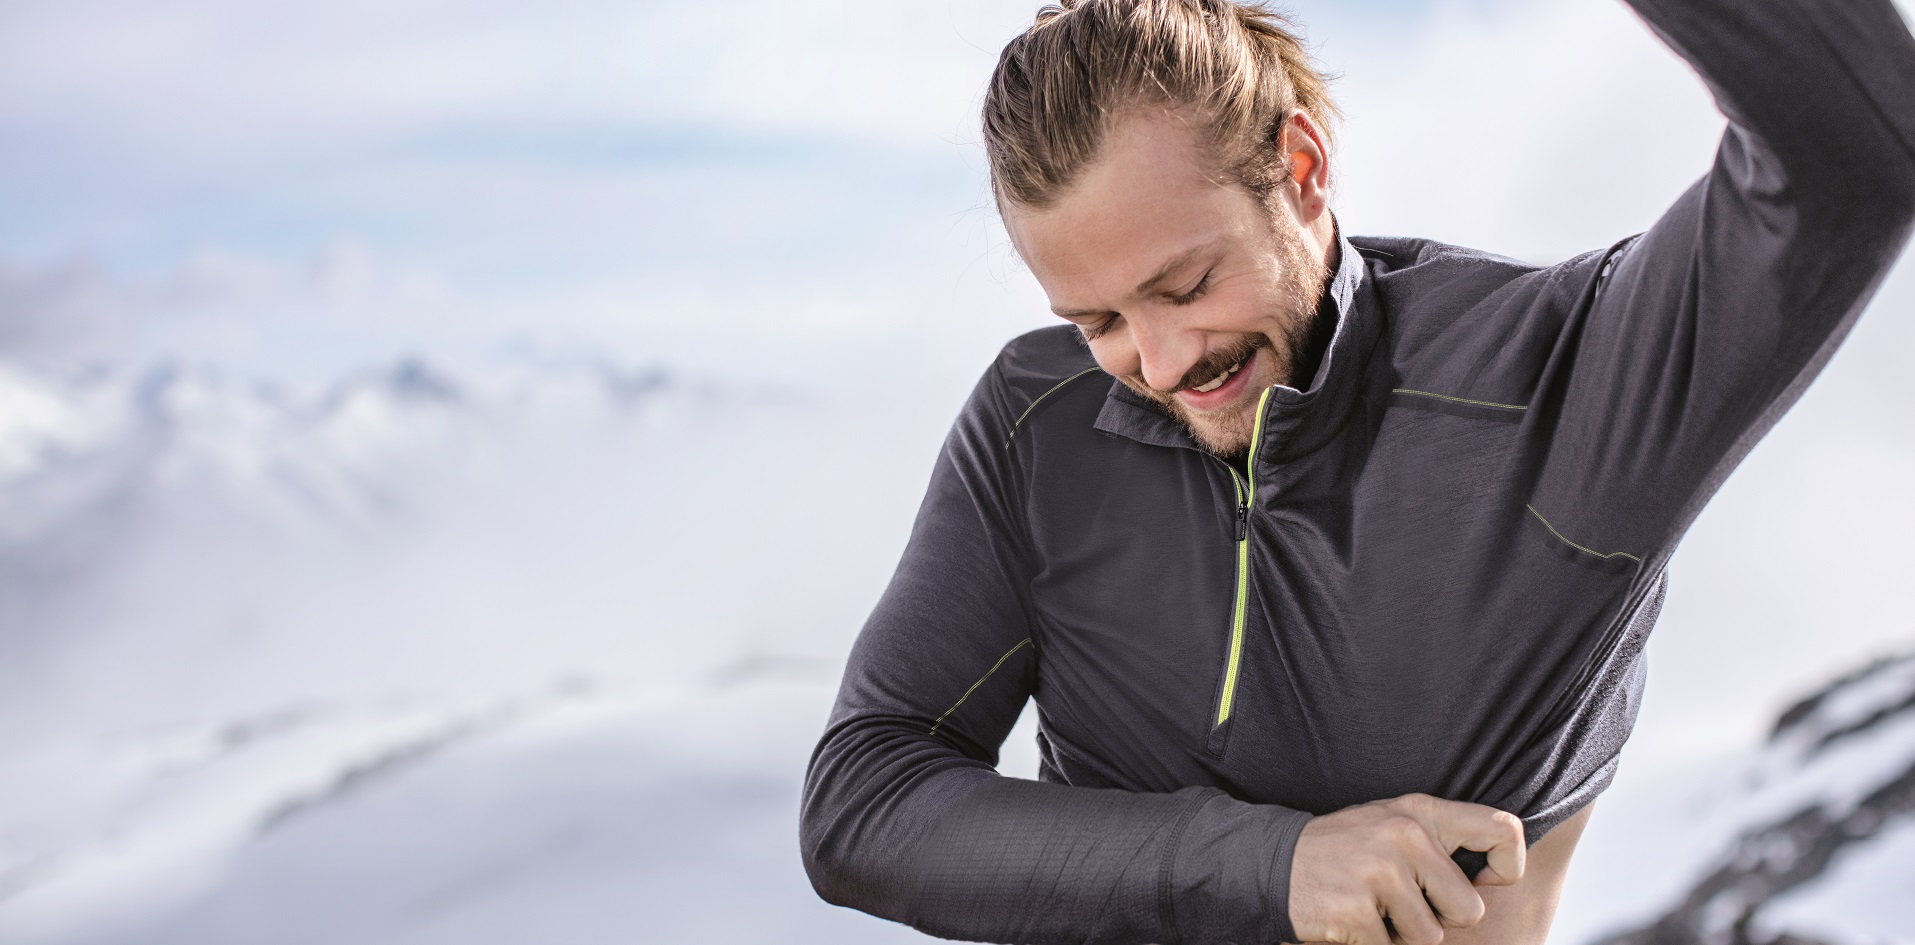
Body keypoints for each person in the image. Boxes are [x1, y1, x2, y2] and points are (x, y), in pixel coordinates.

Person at [800, 0, 1915, 942]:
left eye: (1186, 286)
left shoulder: (1559, 387)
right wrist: (1267, 862)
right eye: (1095, 318)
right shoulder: (1040, 420)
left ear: (1299, 168)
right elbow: (861, 806)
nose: (1159, 363)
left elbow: (1851, 159)